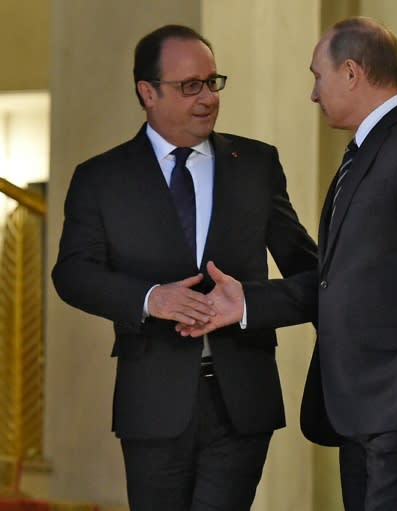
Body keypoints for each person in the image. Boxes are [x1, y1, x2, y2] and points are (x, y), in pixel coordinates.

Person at [179, 15, 397, 511]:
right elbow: (338, 282)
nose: (313, 93)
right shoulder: (365, 150)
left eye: (317, 76)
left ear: (351, 72)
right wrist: (249, 302)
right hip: (360, 410)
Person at [52, 24, 317, 511]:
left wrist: (248, 305)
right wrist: (151, 298)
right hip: (151, 404)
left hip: (243, 401)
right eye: (189, 85)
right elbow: (72, 273)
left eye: (213, 82)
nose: (207, 98)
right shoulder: (101, 178)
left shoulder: (256, 164)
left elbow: (313, 273)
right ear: (147, 92)